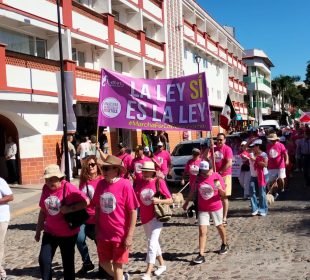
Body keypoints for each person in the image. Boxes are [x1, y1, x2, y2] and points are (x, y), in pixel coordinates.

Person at [35, 164, 89, 280]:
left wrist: (69, 209)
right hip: (50, 232)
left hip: (67, 233)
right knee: (44, 260)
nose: (49, 183)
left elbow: (86, 202)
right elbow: (43, 211)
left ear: (60, 179)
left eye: (52, 180)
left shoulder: (68, 187)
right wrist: (38, 230)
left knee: (68, 263)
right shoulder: (45, 189)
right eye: (47, 180)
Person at [93, 155, 139, 280]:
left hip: (120, 234)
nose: (104, 171)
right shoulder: (101, 184)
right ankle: (123, 278)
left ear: (116, 170)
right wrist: (97, 228)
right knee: (103, 263)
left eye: (107, 169)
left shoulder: (125, 185)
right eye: (103, 168)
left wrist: (129, 236)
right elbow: (97, 207)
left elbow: (133, 211)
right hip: (104, 233)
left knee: (117, 265)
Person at [183, 160, 229, 264]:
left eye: (206, 172)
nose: (204, 174)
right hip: (203, 208)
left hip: (216, 207)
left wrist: (220, 189)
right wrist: (186, 203)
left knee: (219, 226)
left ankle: (224, 243)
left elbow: (224, 194)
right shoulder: (198, 178)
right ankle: (201, 254)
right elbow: (192, 191)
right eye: (202, 172)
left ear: (211, 169)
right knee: (202, 230)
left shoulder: (217, 177)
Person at [135, 161, 173, 280]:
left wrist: (159, 201)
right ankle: (162, 265)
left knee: (151, 244)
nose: (144, 173)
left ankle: (148, 272)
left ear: (152, 172)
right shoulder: (139, 183)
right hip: (145, 218)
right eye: (143, 171)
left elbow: (170, 200)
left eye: (147, 171)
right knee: (153, 242)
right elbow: (135, 199)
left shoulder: (159, 182)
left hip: (157, 217)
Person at [76, 155, 104, 276]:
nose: (91, 167)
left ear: (97, 166)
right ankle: (87, 263)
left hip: (97, 217)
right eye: (88, 165)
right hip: (83, 216)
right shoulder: (83, 180)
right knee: (79, 238)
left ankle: (103, 267)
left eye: (93, 164)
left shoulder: (102, 180)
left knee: (100, 244)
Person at [212, 133, 233, 225]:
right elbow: (204, 157)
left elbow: (229, 163)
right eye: (218, 139)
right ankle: (217, 216)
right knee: (216, 196)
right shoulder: (213, 149)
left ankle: (224, 217)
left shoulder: (227, 149)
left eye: (221, 139)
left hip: (225, 176)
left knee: (224, 196)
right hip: (216, 177)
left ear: (224, 140)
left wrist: (220, 172)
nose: (219, 141)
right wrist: (209, 147)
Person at [249, 139, 269, 216]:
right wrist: (250, 141)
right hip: (253, 175)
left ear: (258, 146)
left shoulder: (263, 154)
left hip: (263, 175)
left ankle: (263, 209)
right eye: (252, 146)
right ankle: (255, 208)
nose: (252, 148)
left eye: (254, 146)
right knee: (252, 191)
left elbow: (265, 165)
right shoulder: (250, 154)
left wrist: (256, 160)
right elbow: (244, 148)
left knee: (262, 193)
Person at [0, 177, 13, 280]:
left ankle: (1, 274)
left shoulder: (0, 181)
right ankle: (2, 273)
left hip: (1, 218)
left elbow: (10, 196)